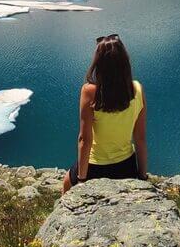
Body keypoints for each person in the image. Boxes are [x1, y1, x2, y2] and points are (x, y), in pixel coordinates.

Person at [62, 33, 148, 193]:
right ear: (125, 62)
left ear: (99, 64)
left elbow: (84, 139)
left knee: (66, 183)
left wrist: (81, 180)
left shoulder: (90, 91)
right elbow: (140, 138)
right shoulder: (137, 89)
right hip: (126, 166)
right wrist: (142, 176)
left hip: (95, 167)